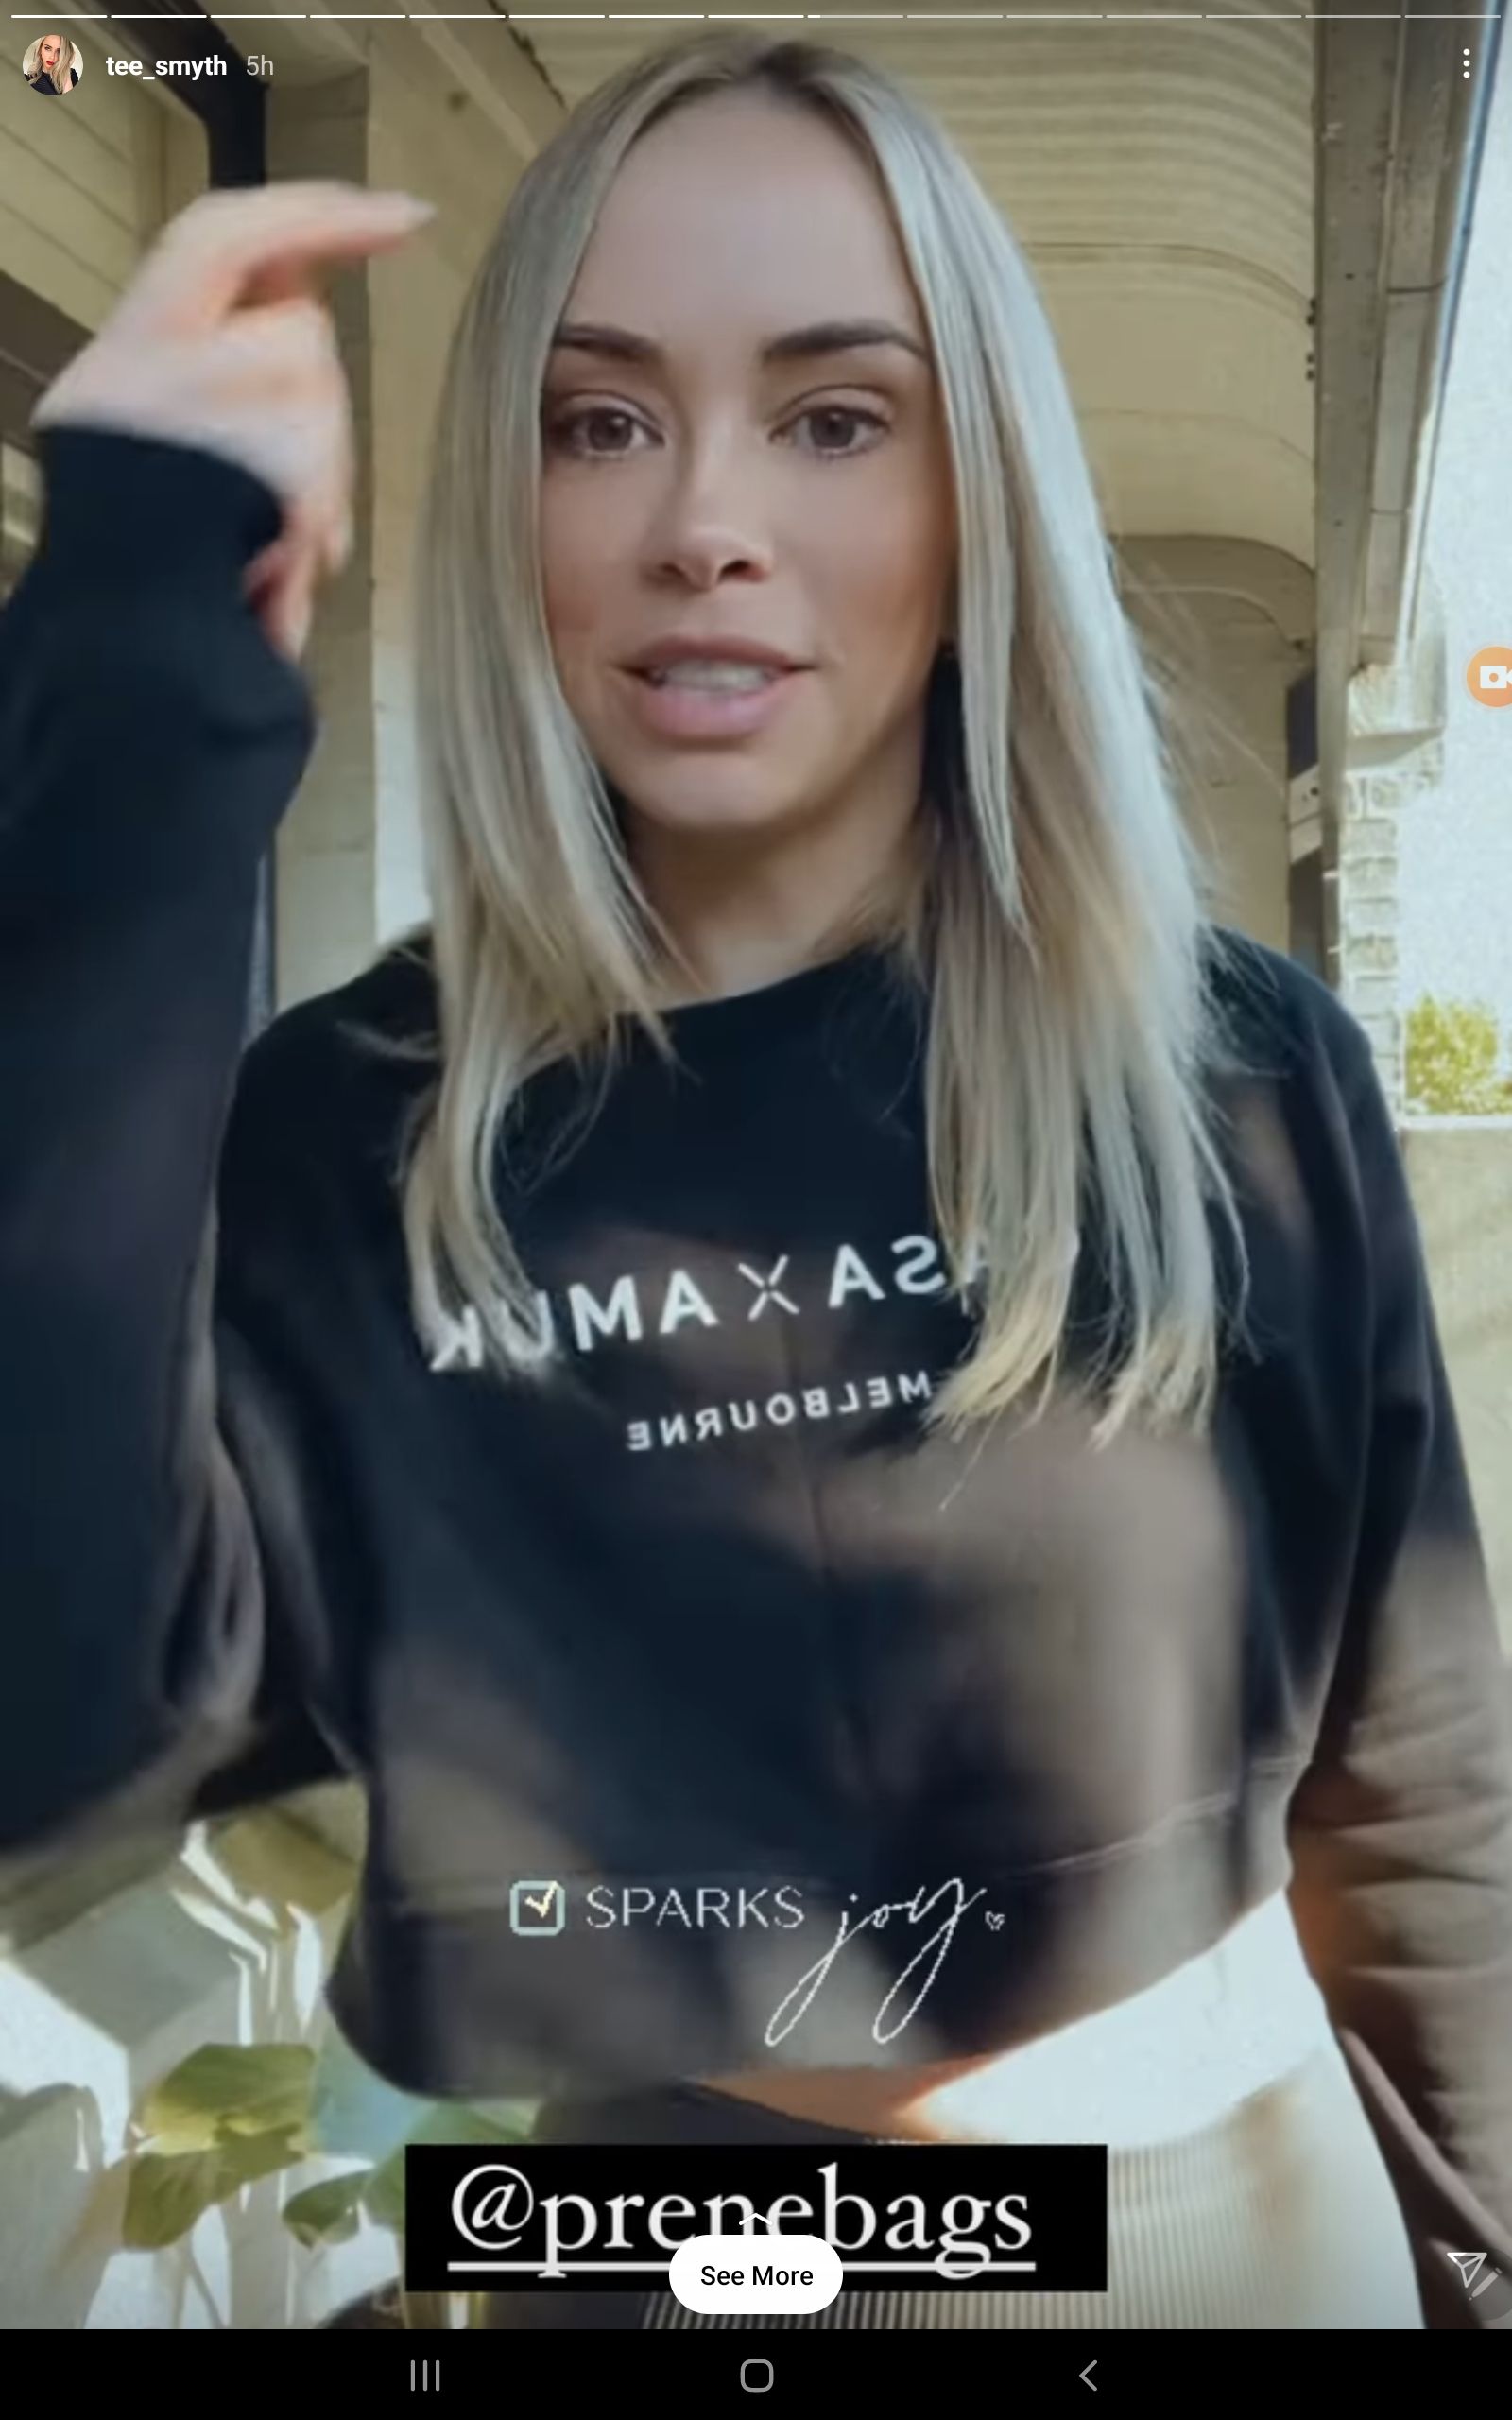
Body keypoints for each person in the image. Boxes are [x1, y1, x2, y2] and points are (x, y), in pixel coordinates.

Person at [2, 29, 1510, 2334]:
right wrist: (126, 723)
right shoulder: (352, 1134)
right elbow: (55, 1708)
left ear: (970, 492)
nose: (702, 518)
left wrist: (1480, 2262)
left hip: (1241, 2234)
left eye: (830, 416)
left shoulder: (1231, 1071)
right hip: (666, 2247)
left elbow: (1415, 1795)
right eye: (599, 420)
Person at [24, 31, 78, 96]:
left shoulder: (72, 75)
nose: (52, 57)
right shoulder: (28, 80)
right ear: (40, 50)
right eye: (48, 48)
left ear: (66, 54)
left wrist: (66, 71)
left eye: (59, 51)